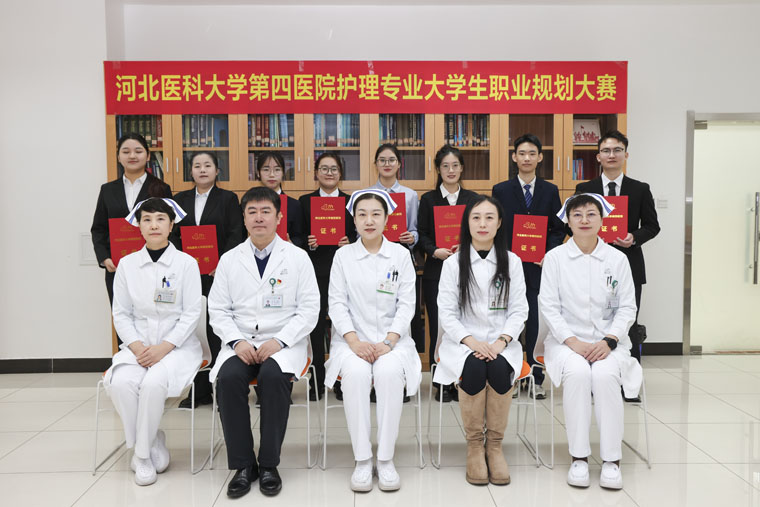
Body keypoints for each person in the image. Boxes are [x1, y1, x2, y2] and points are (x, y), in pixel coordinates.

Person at [208, 186, 319, 498]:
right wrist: (236, 341)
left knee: (272, 377)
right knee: (229, 380)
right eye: (252, 212)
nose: (259, 218)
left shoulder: (297, 258)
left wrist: (280, 341)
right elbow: (218, 310)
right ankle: (244, 465)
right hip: (240, 342)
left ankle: (269, 464)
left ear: (279, 217)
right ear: (244, 219)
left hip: (284, 343)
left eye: (266, 211)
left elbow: (310, 309)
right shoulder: (229, 260)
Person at [536, 193, 641, 490]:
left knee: (606, 375)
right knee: (579, 373)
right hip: (566, 342)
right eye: (577, 215)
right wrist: (572, 341)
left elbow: (627, 307)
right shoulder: (555, 258)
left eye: (591, 214)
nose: (584, 220)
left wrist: (609, 340)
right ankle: (579, 458)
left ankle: (611, 460)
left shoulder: (617, 259)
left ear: (602, 220)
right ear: (568, 221)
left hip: (609, 343)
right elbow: (548, 306)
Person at [325, 189, 421, 492]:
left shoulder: (401, 255)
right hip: (350, 342)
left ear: (387, 219)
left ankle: (386, 458)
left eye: (376, 214)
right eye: (362, 214)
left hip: (393, 342)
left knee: (389, 373)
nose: (369, 220)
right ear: (354, 220)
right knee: (355, 375)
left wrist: (389, 341)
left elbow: (407, 304)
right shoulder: (343, 256)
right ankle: (363, 459)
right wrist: (354, 342)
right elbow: (336, 304)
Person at [105, 197, 202, 486]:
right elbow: (121, 313)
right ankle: (149, 440)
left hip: (177, 346)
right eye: (146, 219)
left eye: (160, 219)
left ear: (171, 225)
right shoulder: (127, 265)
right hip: (139, 346)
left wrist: (165, 347)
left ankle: (142, 456)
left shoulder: (187, 264)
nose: (153, 225)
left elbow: (192, 312)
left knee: (152, 383)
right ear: (139, 226)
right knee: (120, 382)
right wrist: (137, 346)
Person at [435, 195, 528, 486]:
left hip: (502, 343)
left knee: (499, 367)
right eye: (476, 217)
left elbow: (519, 310)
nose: (482, 224)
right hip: (463, 343)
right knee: (475, 367)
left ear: (499, 223)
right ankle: (475, 446)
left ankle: (495, 446)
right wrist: (472, 342)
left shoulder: (512, 261)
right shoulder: (453, 263)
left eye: (489, 217)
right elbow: (446, 313)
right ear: (467, 223)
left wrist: (501, 342)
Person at [575, 130, 660, 374]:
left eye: (617, 150)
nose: (611, 155)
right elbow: (572, 222)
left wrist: (634, 238)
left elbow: (652, 226)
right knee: (592, 320)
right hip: (591, 263)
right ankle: (594, 375)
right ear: (598, 156)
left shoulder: (640, 189)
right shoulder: (585, 188)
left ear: (626, 155)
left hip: (629, 264)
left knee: (627, 321)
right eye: (606, 150)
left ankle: (629, 379)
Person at [491, 133, 564, 400]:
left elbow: (558, 228)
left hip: (537, 269)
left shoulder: (550, 191)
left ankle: (535, 378)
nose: (527, 158)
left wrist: (548, 252)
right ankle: (509, 376)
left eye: (532, 153)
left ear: (540, 157)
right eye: (522, 153)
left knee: (534, 324)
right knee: (508, 323)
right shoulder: (501, 190)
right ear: (514, 157)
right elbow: (496, 227)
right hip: (507, 268)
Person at [170, 152, 245, 408]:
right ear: (190, 171)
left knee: (216, 329)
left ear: (216, 170)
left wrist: (221, 262)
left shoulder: (228, 199)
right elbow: (173, 234)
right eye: (197, 166)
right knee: (192, 329)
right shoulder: (179, 200)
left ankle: (220, 388)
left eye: (207, 165)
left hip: (218, 275)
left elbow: (236, 233)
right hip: (187, 275)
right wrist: (183, 262)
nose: (202, 170)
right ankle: (198, 390)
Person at [91, 133, 172, 344]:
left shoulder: (161, 188)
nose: (132, 156)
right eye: (126, 151)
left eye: (138, 151)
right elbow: (98, 229)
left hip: (154, 265)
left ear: (148, 155)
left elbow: (170, 227)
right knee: (123, 318)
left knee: (157, 317)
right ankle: (128, 359)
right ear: (118, 157)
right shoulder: (107, 190)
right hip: (118, 268)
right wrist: (104, 258)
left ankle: (157, 357)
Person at [418, 145, 478, 402]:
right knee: (439, 326)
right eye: (445, 166)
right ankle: (440, 382)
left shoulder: (473, 199)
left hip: (467, 272)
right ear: (438, 169)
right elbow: (422, 234)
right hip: (437, 271)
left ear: (461, 168)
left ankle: (462, 379)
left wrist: (467, 246)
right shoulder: (428, 200)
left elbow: (480, 231)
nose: (450, 170)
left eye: (455, 165)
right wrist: (434, 251)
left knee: (464, 325)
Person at [298, 152, 356, 401]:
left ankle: (343, 381)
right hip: (316, 273)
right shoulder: (304, 202)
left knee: (344, 326)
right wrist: (308, 242)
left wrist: (350, 241)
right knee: (316, 327)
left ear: (340, 173)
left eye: (334, 169)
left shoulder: (351, 202)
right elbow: (297, 236)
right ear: (316, 173)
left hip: (346, 273)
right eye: (324, 168)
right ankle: (317, 383)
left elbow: (360, 234)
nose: (329, 173)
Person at [370, 144, 418, 248]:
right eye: (382, 160)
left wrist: (412, 238)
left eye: (392, 160)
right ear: (376, 164)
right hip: (373, 250)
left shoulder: (410, 195)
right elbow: (359, 232)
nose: (387, 164)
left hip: (401, 250)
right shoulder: (366, 195)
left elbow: (414, 229)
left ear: (399, 164)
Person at [256, 151, 306, 249]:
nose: (272, 174)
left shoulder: (294, 205)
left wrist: (292, 243)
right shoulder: (250, 204)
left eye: (277, 170)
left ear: (283, 173)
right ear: (258, 173)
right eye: (266, 170)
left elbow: (300, 236)